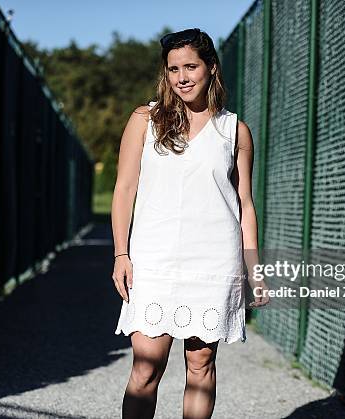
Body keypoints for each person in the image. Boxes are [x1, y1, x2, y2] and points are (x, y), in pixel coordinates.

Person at [111, 28, 270, 419]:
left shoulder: (236, 131)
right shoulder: (144, 120)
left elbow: (244, 204)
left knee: (200, 367)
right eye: (173, 69)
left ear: (210, 68)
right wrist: (121, 253)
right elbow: (124, 189)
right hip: (154, 258)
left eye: (190, 67)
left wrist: (255, 270)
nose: (181, 77)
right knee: (146, 368)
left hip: (214, 261)